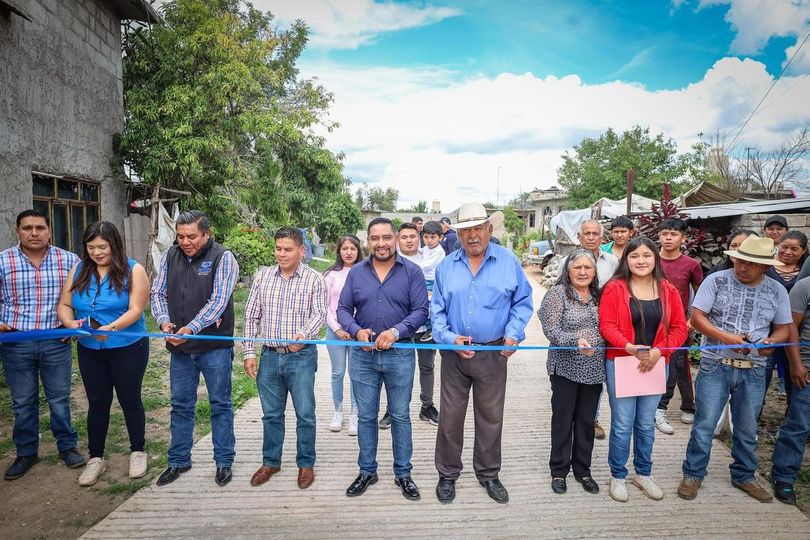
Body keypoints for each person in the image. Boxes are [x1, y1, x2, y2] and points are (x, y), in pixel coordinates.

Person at [432, 202, 533, 504]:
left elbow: (523, 303)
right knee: (450, 417)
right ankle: (448, 474)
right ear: (459, 234)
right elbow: (436, 313)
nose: (473, 235)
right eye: (466, 230)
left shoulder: (508, 261)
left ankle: (488, 473)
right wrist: (449, 338)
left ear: (490, 230)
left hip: (493, 353)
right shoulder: (446, 266)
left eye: (478, 228)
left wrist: (513, 335)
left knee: (491, 417)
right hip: (454, 355)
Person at [678, 236, 791, 503]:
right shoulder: (715, 281)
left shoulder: (777, 291)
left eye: (751, 263)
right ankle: (693, 473)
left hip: (755, 367)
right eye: (740, 260)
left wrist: (771, 343)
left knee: (747, 425)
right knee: (704, 424)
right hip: (715, 363)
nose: (743, 267)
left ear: (765, 266)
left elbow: (784, 327)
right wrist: (725, 337)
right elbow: (697, 317)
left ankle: (744, 475)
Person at [337, 217, 428, 500]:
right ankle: (367, 471)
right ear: (368, 241)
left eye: (386, 237)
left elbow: (421, 311)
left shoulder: (412, 272)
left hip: (399, 354)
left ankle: (403, 474)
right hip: (363, 356)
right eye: (375, 238)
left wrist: (396, 331)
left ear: (396, 239)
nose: (381, 243)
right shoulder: (356, 273)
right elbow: (342, 309)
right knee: (366, 416)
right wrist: (355, 331)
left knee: (400, 416)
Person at [57, 221, 150, 486]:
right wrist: (69, 323)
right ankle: (96, 457)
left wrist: (111, 328)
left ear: (114, 245)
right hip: (89, 349)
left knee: (130, 398)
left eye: (102, 247)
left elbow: (135, 310)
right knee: (97, 402)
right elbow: (64, 304)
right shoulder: (78, 270)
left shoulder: (134, 270)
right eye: (90, 247)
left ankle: (138, 450)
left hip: (128, 347)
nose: (96, 253)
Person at [150, 210, 238, 487]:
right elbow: (158, 292)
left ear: (207, 234)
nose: (185, 241)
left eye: (191, 236)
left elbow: (218, 300)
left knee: (220, 404)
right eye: (180, 236)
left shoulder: (223, 258)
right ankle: (178, 461)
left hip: (214, 347)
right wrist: (164, 322)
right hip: (179, 348)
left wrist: (191, 328)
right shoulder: (170, 256)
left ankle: (223, 461)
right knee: (180, 405)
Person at [599, 237, 688, 503]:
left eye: (647, 255)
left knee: (646, 425)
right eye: (634, 256)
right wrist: (628, 347)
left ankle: (643, 473)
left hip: (655, 363)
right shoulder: (614, 288)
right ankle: (617, 475)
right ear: (626, 259)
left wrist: (660, 351)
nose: (641, 261)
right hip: (622, 362)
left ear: (655, 259)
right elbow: (607, 326)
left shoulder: (668, 290)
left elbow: (680, 328)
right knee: (623, 424)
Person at [0, 209, 86, 480]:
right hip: (16, 343)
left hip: (55, 341)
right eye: (27, 228)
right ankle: (26, 452)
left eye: (39, 227)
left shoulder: (69, 261)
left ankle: (67, 447)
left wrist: (73, 326)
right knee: (23, 401)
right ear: (17, 231)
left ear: (49, 230)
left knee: (59, 399)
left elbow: (82, 299)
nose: (34, 233)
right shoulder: (3, 262)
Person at [243, 227, 327, 490]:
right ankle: (271, 461)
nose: (282, 254)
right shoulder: (262, 277)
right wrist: (248, 352)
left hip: (301, 357)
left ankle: (305, 464)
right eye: (278, 249)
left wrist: (303, 334)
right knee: (271, 414)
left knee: (305, 414)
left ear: (302, 251)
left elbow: (320, 314)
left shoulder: (314, 279)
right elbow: (251, 316)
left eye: (288, 249)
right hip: (269, 356)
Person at [538, 249, 604, 496]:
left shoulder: (600, 295)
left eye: (588, 267)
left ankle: (583, 470)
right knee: (563, 419)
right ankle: (558, 470)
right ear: (567, 270)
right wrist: (576, 340)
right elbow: (551, 331)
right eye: (577, 267)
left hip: (594, 368)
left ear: (595, 271)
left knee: (587, 421)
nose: (583, 272)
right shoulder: (557, 295)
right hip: (565, 367)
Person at [654, 218, 701, 435]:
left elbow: (701, 295)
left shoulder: (692, 265)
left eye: (674, 234)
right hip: (651, 323)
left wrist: (692, 321)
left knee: (676, 367)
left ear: (683, 238)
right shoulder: (650, 259)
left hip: (678, 326)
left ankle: (670, 407)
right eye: (665, 234)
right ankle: (655, 407)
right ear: (659, 236)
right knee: (655, 365)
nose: (669, 238)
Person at [574, 219, 619, 440]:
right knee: (576, 372)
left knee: (598, 373)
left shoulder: (612, 262)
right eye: (587, 233)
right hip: (578, 325)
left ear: (602, 237)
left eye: (595, 233)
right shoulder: (568, 261)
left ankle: (592, 418)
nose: (591, 237)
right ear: (579, 237)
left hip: (606, 324)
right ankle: (576, 416)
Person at [771, 273, 810, 505]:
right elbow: (790, 327)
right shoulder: (804, 287)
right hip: (808, 369)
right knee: (799, 425)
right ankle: (784, 477)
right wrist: (796, 364)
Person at [323, 235, 362, 435]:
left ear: (358, 251)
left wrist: (355, 328)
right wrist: (337, 328)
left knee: (356, 373)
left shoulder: (365, 272)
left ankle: (355, 413)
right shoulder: (331, 274)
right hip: (335, 330)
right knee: (338, 372)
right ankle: (338, 410)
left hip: (357, 332)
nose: (348, 252)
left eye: (352, 249)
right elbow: (324, 306)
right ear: (339, 251)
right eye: (345, 248)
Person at [764, 230, 808, 401]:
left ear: (803, 251)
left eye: (794, 249)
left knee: (795, 377)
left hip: (795, 333)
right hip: (769, 332)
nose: (788, 252)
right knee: (762, 375)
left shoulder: (805, 272)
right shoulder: (766, 268)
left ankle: (792, 418)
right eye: (784, 247)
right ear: (777, 246)